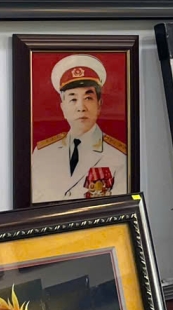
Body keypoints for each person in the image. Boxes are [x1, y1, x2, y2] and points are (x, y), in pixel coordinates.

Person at [28, 54, 128, 201]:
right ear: (63, 107)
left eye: (88, 98)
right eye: (73, 99)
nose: (81, 107)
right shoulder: (42, 153)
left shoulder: (119, 156)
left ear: (99, 104)